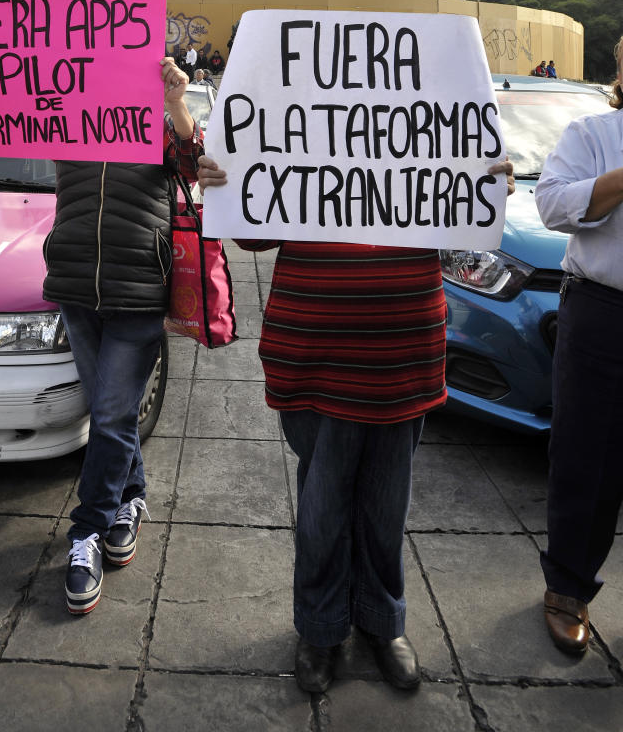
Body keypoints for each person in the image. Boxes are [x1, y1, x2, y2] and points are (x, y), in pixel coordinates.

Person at [197, 153, 515, 696]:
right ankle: (321, 629)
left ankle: (381, 621)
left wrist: (484, 185)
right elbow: (252, 239)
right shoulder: (296, 116)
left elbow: (468, 239)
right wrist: (228, 183)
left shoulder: (431, 115)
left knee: (386, 505)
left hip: (403, 350)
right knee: (324, 506)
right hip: (315, 351)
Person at [0, 48, 202, 618]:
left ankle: (86, 533)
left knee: (114, 413)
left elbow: (194, 165)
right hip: (74, 285)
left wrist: (175, 99)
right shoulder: (64, 116)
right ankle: (131, 500)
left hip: (139, 290)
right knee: (109, 409)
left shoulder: (153, 119)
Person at [533, 38, 623, 654]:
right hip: (604, 311)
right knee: (587, 458)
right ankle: (568, 589)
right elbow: (551, 204)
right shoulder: (593, 133)